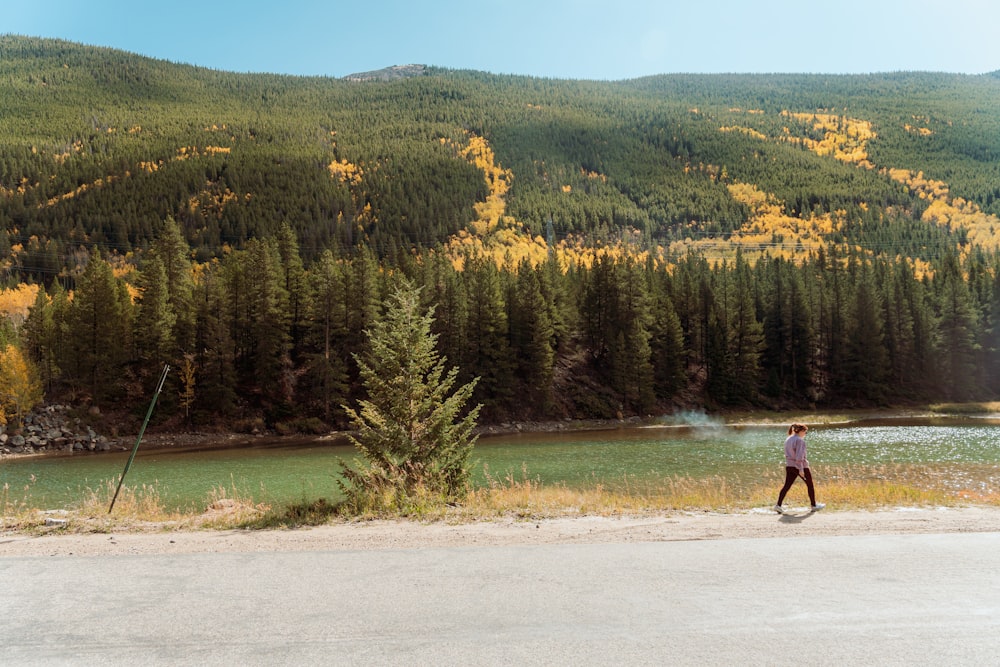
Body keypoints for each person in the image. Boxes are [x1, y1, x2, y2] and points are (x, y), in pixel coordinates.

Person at [774, 423, 825, 513]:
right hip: (800, 466)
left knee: (787, 485)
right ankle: (814, 505)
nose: (805, 434)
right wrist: (801, 469)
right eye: (805, 432)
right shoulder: (799, 441)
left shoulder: (788, 439)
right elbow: (799, 456)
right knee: (810, 485)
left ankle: (778, 505)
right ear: (800, 431)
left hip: (789, 465)